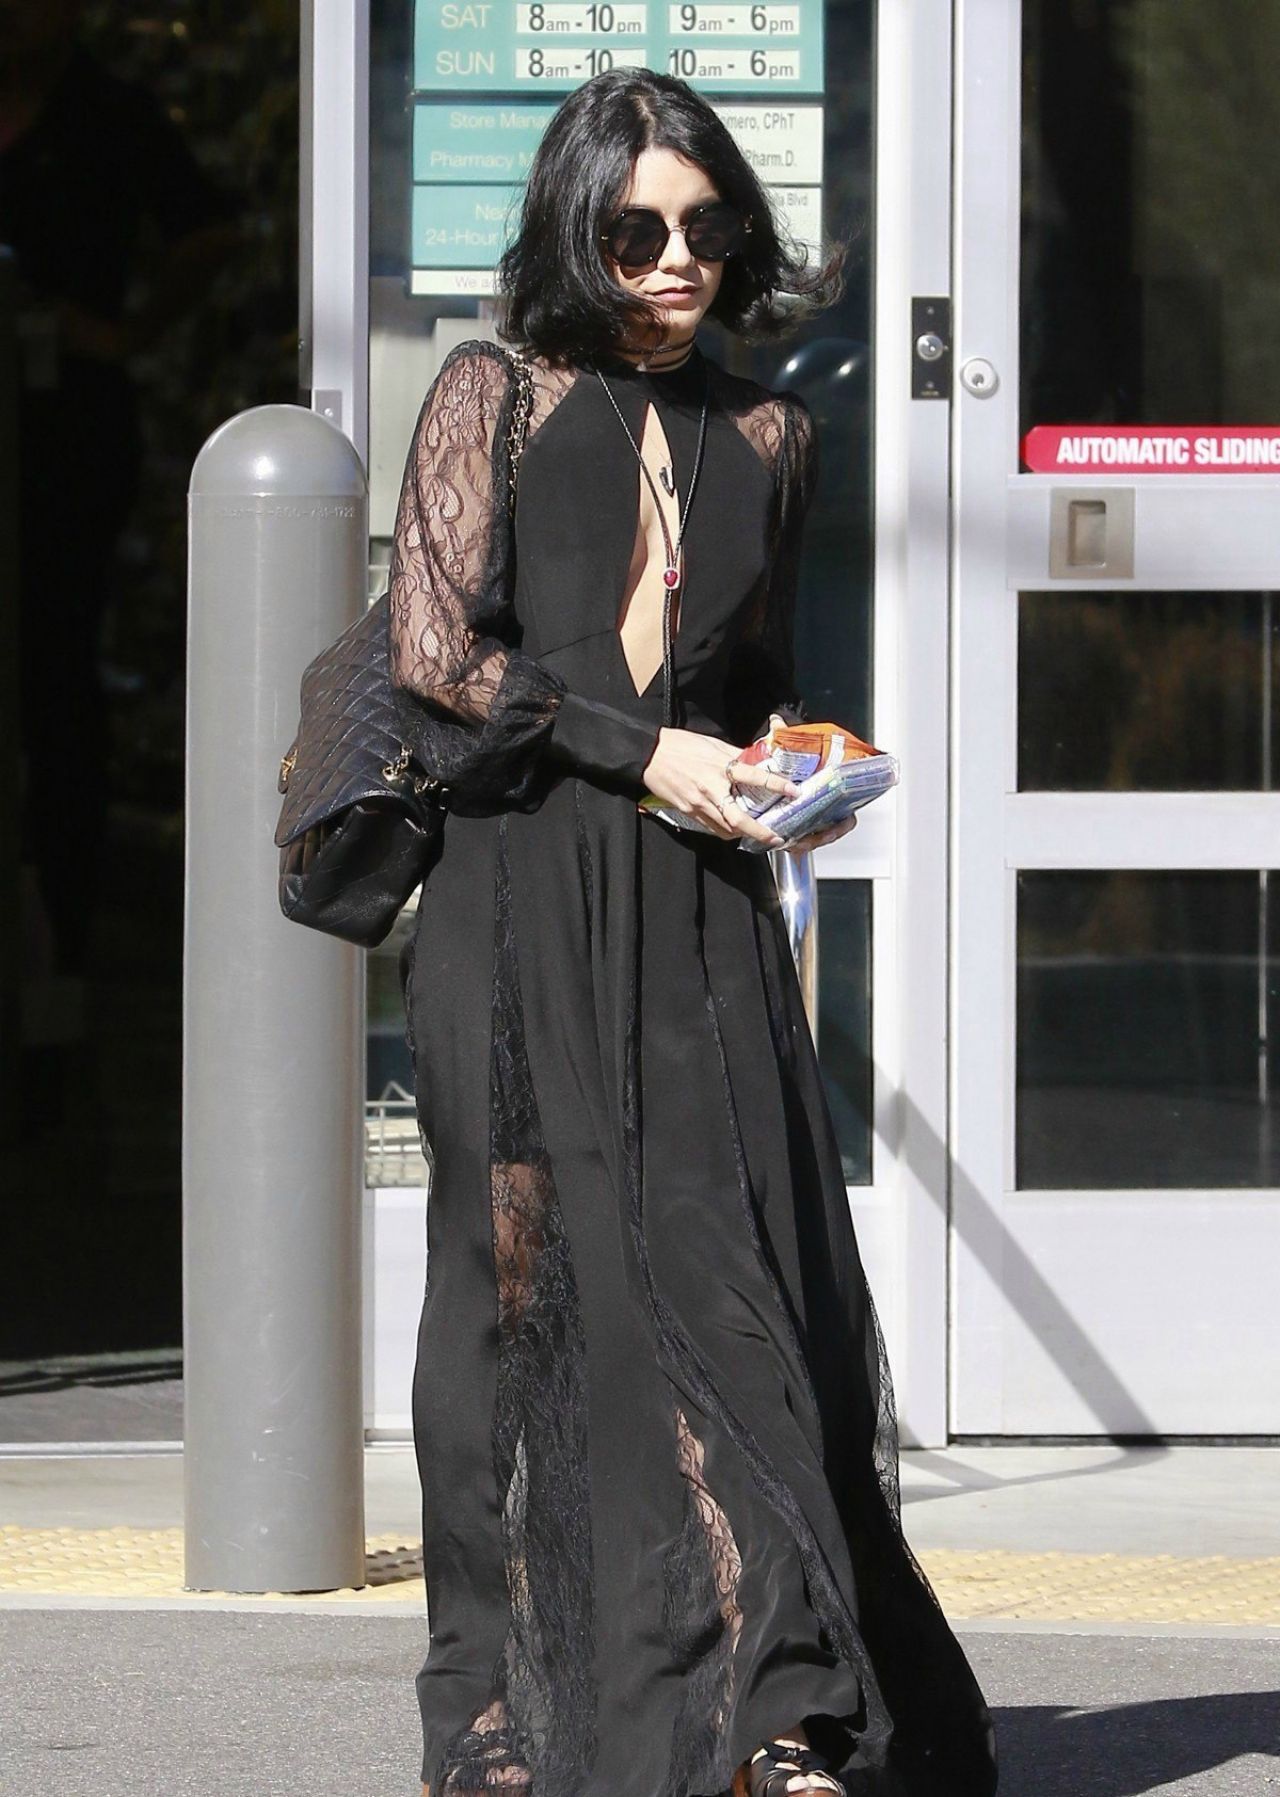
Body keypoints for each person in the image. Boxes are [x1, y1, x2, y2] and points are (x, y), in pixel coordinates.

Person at [389, 68, 999, 1797]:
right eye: (636, 227)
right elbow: (441, 657)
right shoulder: (496, 396)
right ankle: (487, 1712)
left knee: (732, 1292)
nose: (677, 257)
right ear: (573, 228)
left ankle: (776, 1709)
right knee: (511, 1302)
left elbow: (754, 681)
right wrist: (638, 746)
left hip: (700, 911)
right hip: (520, 891)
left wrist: (801, 766)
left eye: (708, 225)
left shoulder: (772, 436)